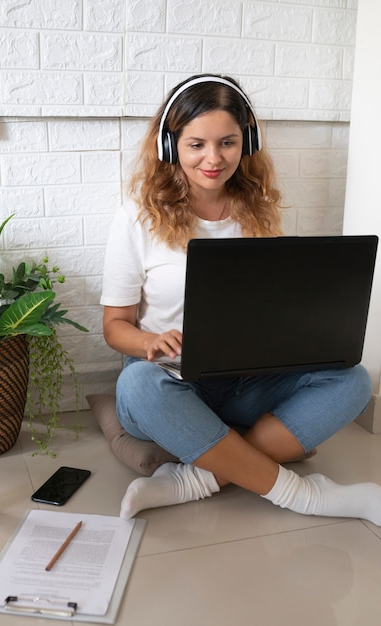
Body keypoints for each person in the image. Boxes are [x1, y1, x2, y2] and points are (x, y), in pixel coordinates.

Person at [101, 73, 381, 525]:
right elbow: (115, 326)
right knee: (135, 385)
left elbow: (270, 307)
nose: (213, 159)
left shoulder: (259, 210)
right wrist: (148, 343)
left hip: (246, 382)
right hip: (171, 384)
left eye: (227, 143)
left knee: (353, 380)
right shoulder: (137, 218)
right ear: (170, 147)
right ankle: (304, 495)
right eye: (196, 145)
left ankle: (196, 479)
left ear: (246, 142)